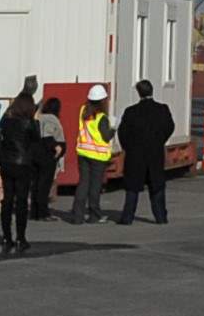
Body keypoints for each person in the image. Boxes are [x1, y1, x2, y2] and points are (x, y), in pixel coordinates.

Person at [0, 91, 44, 254]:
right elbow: (36, 143)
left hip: (6, 164)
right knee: (21, 201)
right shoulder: (31, 124)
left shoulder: (6, 121)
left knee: (7, 199)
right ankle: (21, 238)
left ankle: (7, 237)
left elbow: (2, 127)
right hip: (23, 165)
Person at [115, 80, 175, 225]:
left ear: (138, 93)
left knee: (132, 187)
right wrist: (160, 140)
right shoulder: (162, 109)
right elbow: (170, 127)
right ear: (152, 91)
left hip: (135, 154)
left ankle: (127, 217)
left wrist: (128, 147)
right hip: (155, 153)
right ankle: (161, 217)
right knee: (157, 186)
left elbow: (122, 133)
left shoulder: (131, 112)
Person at [72, 86, 117, 224]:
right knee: (95, 186)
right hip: (98, 156)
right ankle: (94, 215)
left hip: (83, 152)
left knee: (83, 184)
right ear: (102, 101)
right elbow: (106, 137)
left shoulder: (83, 111)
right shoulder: (102, 118)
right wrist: (113, 128)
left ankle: (77, 216)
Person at [30, 99, 66, 224]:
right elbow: (48, 134)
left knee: (36, 184)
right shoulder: (51, 119)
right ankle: (42, 212)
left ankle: (34, 212)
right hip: (46, 156)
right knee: (44, 185)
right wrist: (56, 147)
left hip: (35, 154)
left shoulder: (39, 118)